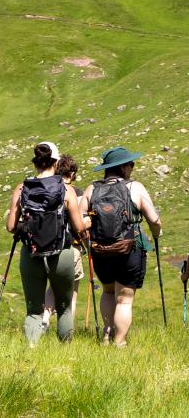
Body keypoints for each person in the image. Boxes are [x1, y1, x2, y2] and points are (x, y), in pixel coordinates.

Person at [80, 146, 162, 347]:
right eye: (131, 165)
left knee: (108, 292)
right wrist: (156, 233)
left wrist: (88, 246)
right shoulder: (135, 187)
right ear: (123, 167)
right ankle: (119, 342)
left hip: (100, 251)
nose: (132, 168)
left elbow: (80, 223)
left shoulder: (92, 189)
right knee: (124, 299)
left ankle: (106, 336)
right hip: (129, 249)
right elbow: (154, 220)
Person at [6, 141, 86, 345]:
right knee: (64, 307)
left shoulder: (22, 188)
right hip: (61, 254)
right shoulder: (66, 190)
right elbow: (78, 227)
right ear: (56, 162)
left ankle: (32, 348)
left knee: (34, 310)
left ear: (35, 163)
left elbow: (11, 226)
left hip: (31, 254)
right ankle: (65, 349)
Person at [43, 154, 88, 328]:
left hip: (47, 246)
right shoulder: (76, 193)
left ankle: (45, 319)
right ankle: (67, 330)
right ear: (72, 174)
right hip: (72, 247)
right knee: (72, 292)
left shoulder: (48, 189)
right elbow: (79, 224)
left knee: (53, 286)